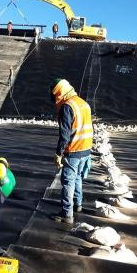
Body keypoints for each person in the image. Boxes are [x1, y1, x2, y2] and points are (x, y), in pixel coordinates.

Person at [50, 78, 93, 224]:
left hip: (74, 150)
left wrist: (58, 153)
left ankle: (67, 214)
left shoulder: (67, 106)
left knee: (68, 181)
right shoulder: (83, 103)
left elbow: (65, 135)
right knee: (78, 177)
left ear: (59, 93)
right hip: (86, 149)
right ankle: (78, 204)